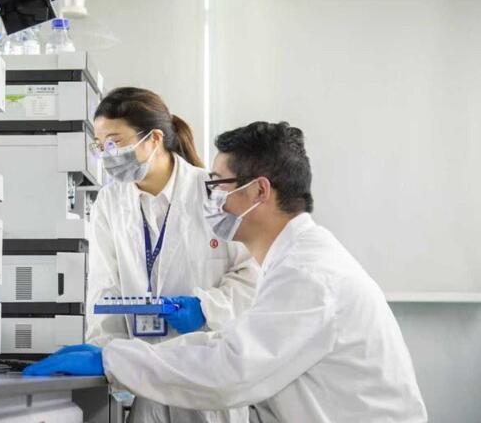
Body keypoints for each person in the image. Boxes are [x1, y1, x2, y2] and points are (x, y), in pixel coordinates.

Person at [25, 121, 428, 423]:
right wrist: (119, 354)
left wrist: (114, 361)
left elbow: (230, 369)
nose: (211, 197)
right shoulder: (295, 260)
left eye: (218, 184)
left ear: (259, 191)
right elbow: (230, 345)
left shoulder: (308, 273)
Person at [80, 87, 260, 423]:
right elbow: (105, 287)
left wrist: (206, 308)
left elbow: (253, 275)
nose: (107, 154)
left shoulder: (214, 192)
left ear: (154, 139)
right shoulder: (109, 202)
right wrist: (107, 356)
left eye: (115, 142)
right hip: (146, 381)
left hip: (209, 379)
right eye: (100, 145)